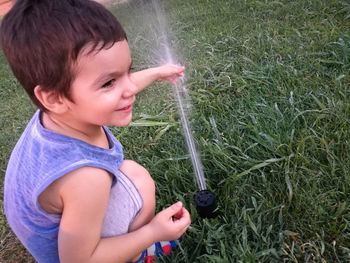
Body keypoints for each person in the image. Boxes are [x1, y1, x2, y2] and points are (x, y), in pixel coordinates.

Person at [1, 0, 191, 262]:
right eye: (110, 82)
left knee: (134, 173)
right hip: (72, 255)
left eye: (129, 71)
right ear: (54, 98)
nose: (129, 90)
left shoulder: (58, 114)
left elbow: (118, 83)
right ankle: (135, 255)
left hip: (54, 230)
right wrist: (153, 232)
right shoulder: (85, 177)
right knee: (141, 183)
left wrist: (157, 73)